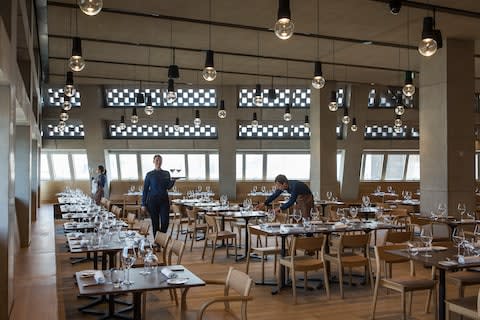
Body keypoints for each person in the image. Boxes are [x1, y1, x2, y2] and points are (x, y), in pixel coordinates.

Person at [141, 154, 176, 235]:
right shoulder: (149, 174)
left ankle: (161, 237)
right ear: (153, 161)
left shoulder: (166, 173)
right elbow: (145, 189)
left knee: (165, 222)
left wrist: (173, 181)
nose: (158, 162)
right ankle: (157, 243)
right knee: (155, 222)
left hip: (164, 200)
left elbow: (168, 187)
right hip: (152, 201)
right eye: (157, 160)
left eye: (160, 160)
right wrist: (143, 204)